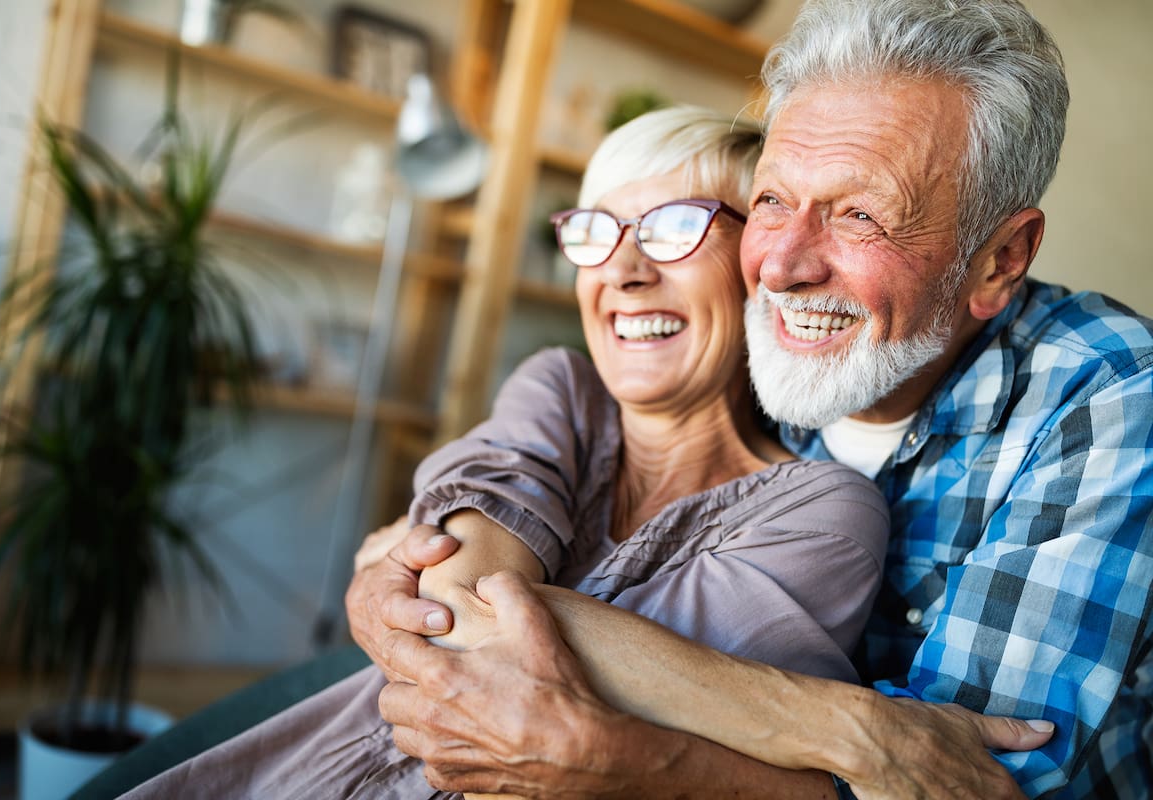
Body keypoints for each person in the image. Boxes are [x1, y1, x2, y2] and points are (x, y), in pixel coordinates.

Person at [357, 1, 1153, 798]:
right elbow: (473, 534)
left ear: (1000, 259)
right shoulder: (744, 363)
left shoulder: (1110, 393)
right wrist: (845, 727)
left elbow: (969, 783)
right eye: (773, 201)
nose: (781, 266)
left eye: (860, 215)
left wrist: (630, 761)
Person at [120, 106, 892, 798]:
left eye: (673, 226)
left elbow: (551, 696)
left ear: (758, 265)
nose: (623, 271)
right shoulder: (559, 388)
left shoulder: (823, 511)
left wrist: (410, 559)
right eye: (599, 231)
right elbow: (445, 614)